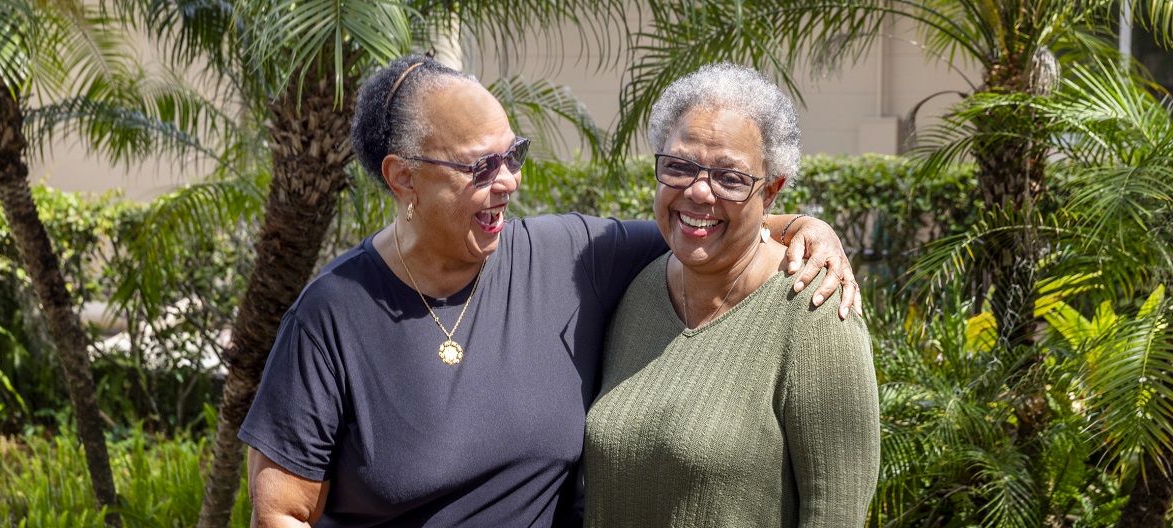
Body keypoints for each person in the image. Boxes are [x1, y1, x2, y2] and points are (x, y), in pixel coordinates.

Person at [241, 55, 863, 527]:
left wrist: (808, 228)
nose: (509, 181)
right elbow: (280, 514)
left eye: (513, 154)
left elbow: (701, 223)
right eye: (479, 167)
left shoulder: (571, 257)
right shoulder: (332, 315)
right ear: (403, 178)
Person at [583, 63, 880, 527]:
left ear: (772, 192)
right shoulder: (635, 291)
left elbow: (836, 514)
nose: (699, 191)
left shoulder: (815, 313)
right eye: (679, 167)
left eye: (731, 178)